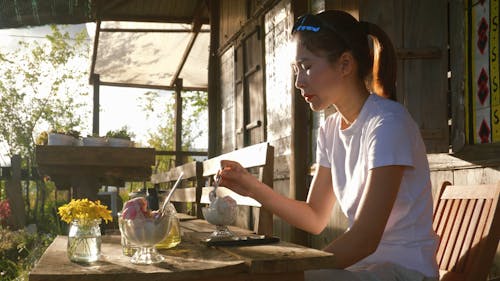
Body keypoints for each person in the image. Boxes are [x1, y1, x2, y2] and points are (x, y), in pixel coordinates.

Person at [217, 10, 439, 281]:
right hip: (362, 270)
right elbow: (315, 217)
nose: (299, 82)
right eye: (295, 70)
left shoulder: (387, 124)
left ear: (345, 64)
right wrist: (253, 187)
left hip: (405, 273)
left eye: (307, 67)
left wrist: (299, 271)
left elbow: (364, 240)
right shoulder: (331, 129)